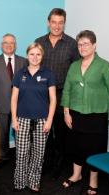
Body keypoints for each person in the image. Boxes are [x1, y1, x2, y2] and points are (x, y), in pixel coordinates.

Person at [61, 30, 109, 195]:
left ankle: (93, 181)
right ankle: (76, 175)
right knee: (75, 146)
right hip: (75, 115)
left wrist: (105, 109)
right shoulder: (73, 66)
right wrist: (66, 112)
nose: (82, 47)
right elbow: (66, 90)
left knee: (95, 149)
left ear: (94, 45)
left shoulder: (104, 66)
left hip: (96, 117)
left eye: (86, 43)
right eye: (80, 44)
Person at [34, 8, 80, 177]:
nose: (57, 26)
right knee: (43, 132)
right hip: (42, 94)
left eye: (60, 22)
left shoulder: (72, 44)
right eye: (54, 22)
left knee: (61, 133)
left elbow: (77, 71)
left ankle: (58, 167)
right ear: (48, 22)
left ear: (64, 23)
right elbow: (33, 67)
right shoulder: (39, 42)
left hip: (62, 95)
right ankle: (44, 163)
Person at [11, 43, 56, 192]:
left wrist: (49, 120)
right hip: (22, 119)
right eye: (32, 54)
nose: (35, 57)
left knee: (38, 154)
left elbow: (53, 100)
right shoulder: (19, 74)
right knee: (22, 153)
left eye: (38, 54)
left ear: (42, 56)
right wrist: (14, 119)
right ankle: (19, 181)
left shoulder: (48, 74)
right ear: (27, 55)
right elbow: (14, 99)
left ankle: (34, 181)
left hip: (42, 120)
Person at [0, 33, 26, 168]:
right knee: (3, 133)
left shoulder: (23, 61)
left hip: (20, 106)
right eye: (6, 43)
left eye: (12, 43)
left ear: (15, 46)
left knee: (19, 133)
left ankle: (20, 157)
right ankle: (3, 157)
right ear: (1, 45)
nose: (9, 45)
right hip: (1, 105)